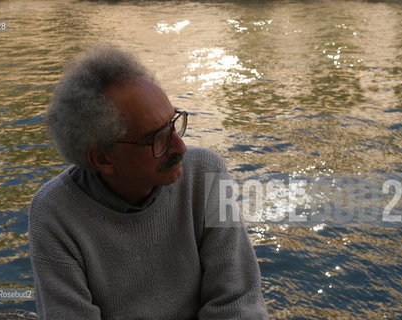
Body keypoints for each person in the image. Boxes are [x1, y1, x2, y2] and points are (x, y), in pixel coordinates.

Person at [28, 43, 268, 319]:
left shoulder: (208, 173)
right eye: (157, 138)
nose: (181, 148)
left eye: (174, 123)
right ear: (103, 160)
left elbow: (238, 303)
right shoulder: (54, 213)